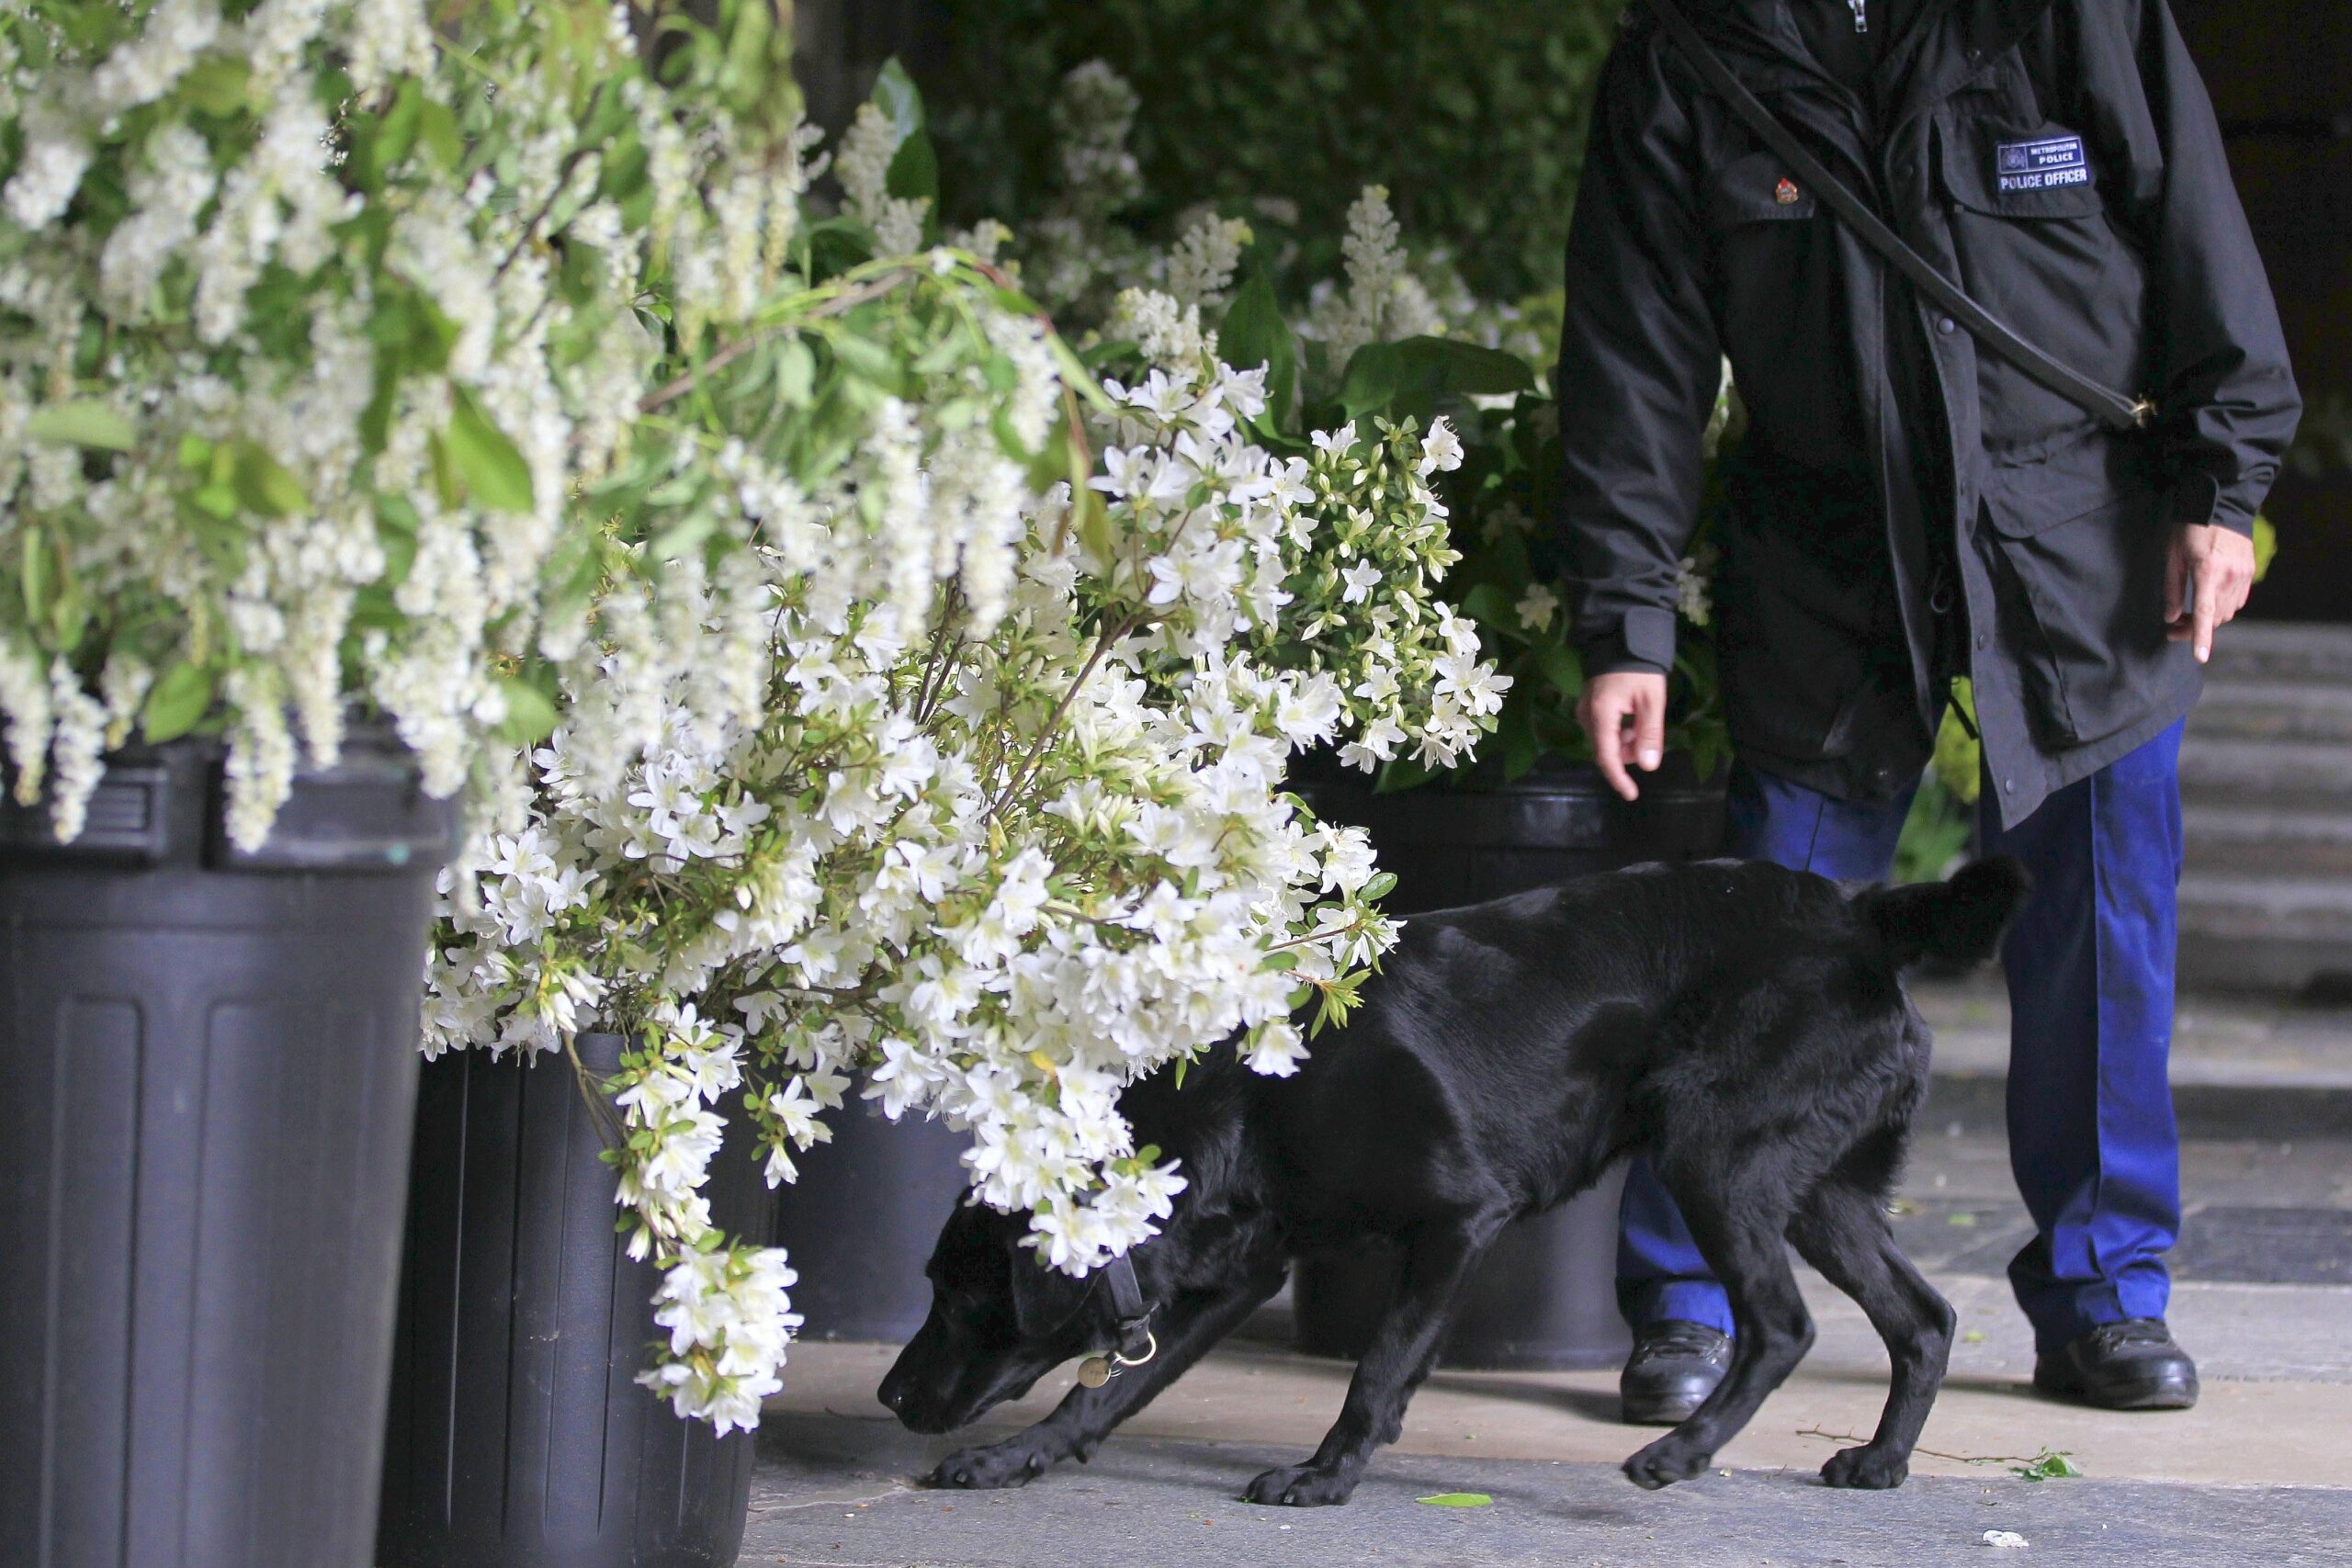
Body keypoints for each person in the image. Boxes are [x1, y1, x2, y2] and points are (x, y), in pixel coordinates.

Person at [1553, 0, 2300, 1423]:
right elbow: (1636, 354)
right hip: (1826, 566)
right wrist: (1627, 619)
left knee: (2105, 937)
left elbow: (2199, 239)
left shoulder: (2072, 16)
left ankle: (2104, 1296)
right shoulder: (1687, 56)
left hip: (2082, 544)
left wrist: (2223, 490)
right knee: (1765, 943)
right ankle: (1694, 1294)